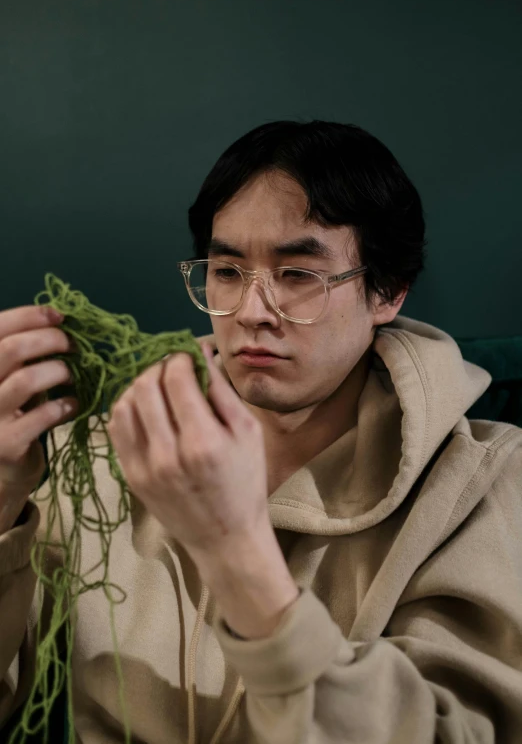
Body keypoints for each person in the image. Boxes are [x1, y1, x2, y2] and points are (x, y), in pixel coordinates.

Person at [1, 120, 521, 744]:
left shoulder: (486, 483)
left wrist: (233, 552)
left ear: (388, 292)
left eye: (298, 275)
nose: (251, 312)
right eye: (226, 270)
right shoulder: (101, 453)